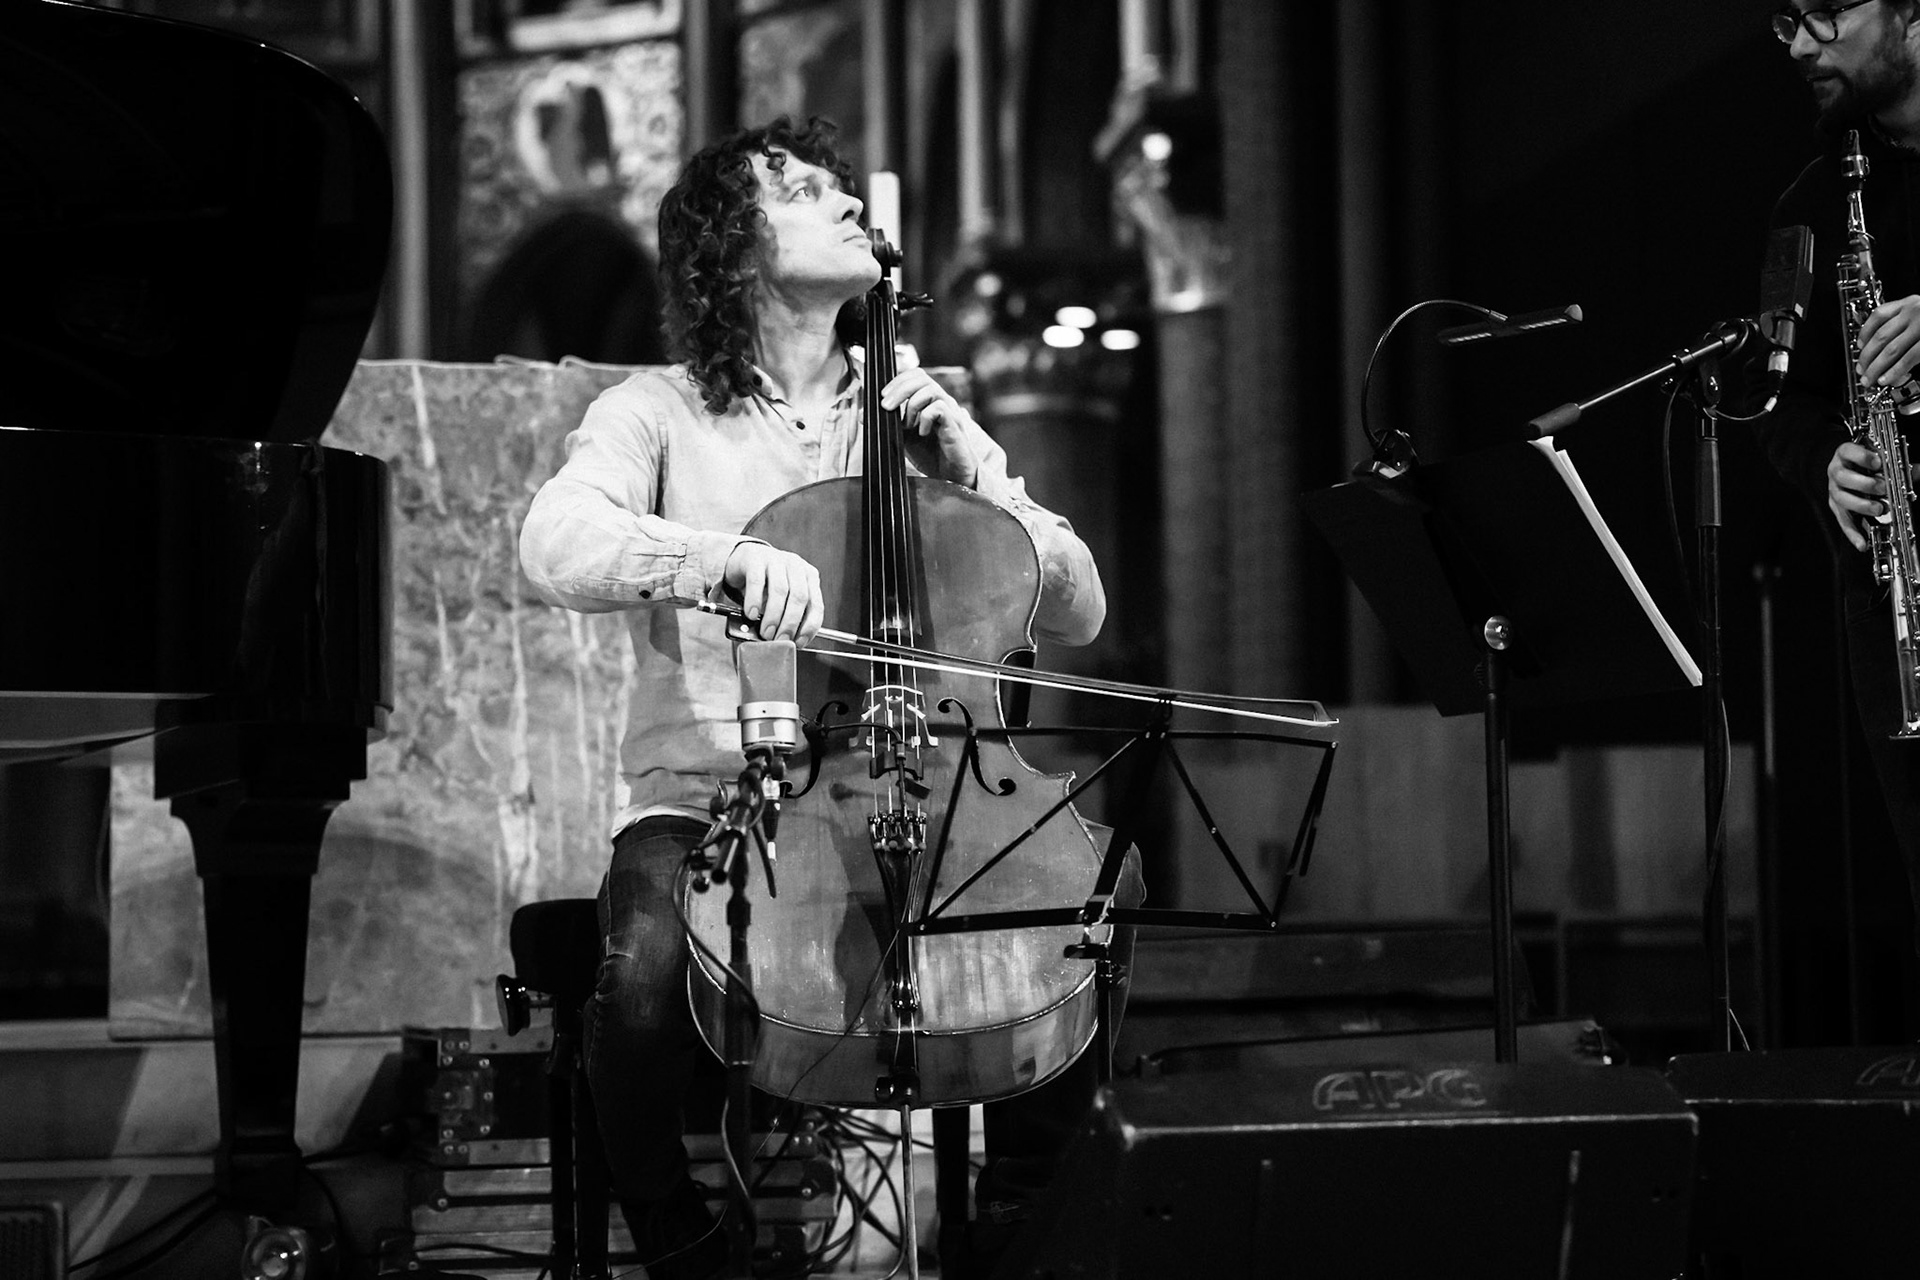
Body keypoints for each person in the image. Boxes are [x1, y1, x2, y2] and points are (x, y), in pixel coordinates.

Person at [519, 115, 1111, 1279]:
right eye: (799, 187)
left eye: (843, 185)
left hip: (932, 788)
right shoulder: (657, 411)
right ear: (732, 246)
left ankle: (1033, 1231)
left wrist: (983, 475)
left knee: (1069, 923)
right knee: (638, 968)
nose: (842, 198)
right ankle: (679, 1233)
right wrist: (713, 558)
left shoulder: (910, 415)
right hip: (712, 797)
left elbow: (1078, 611)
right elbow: (555, 537)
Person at [1761, 0, 1920, 956]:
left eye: (1823, 12)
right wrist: (1824, 460)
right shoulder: (1813, 201)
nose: (1801, 45)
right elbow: (1775, 395)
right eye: (1785, 21)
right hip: (1897, 593)